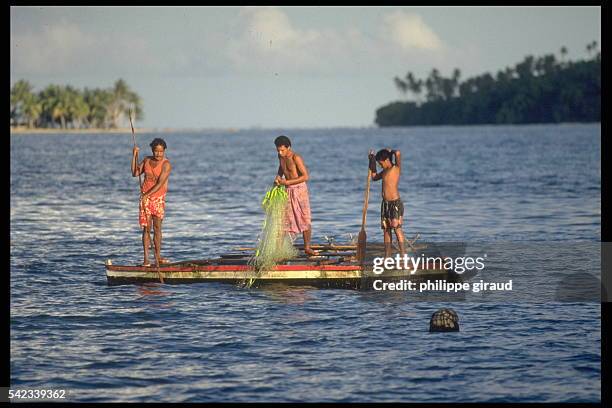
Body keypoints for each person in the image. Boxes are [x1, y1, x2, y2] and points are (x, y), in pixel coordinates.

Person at [273, 135, 318, 256]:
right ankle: (278, 250)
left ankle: (307, 247)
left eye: (282, 150)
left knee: (304, 218)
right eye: (278, 150)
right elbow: (281, 168)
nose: (280, 153)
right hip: (287, 190)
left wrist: (286, 182)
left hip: (299, 190)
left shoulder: (296, 157)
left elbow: (305, 176)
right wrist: (278, 177)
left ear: (289, 147)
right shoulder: (280, 156)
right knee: (284, 220)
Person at [131, 138, 172, 266]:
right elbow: (135, 173)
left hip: (158, 199)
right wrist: (134, 156)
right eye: (156, 151)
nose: (158, 154)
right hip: (145, 199)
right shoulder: (147, 160)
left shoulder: (166, 164)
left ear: (164, 151)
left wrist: (147, 195)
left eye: (160, 152)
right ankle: (146, 259)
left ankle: (158, 257)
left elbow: (160, 184)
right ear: (152, 151)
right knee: (147, 229)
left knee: (157, 228)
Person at [369, 148, 405, 258]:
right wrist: (371, 161)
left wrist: (391, 151)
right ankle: (387, 256)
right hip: (385, 204)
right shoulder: (384, 172)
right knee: (386, 229)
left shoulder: (396, 168)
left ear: (386, 160)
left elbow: (398, 152)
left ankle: (403, 256)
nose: (380, 165)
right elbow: (374, 177)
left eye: (380, 163)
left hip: (395, 203)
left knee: (396, 227)